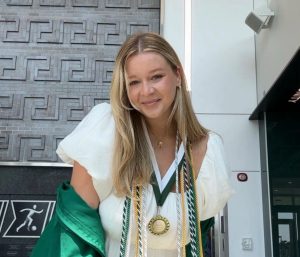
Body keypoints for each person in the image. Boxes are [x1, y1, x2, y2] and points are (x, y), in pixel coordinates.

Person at [31, 32, 234, 257]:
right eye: (134, 82)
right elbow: (76, 229)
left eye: (156, 77)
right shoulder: (107, 132)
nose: (146, 91)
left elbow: (197, 240)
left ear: (178, 75)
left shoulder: (208, 150)